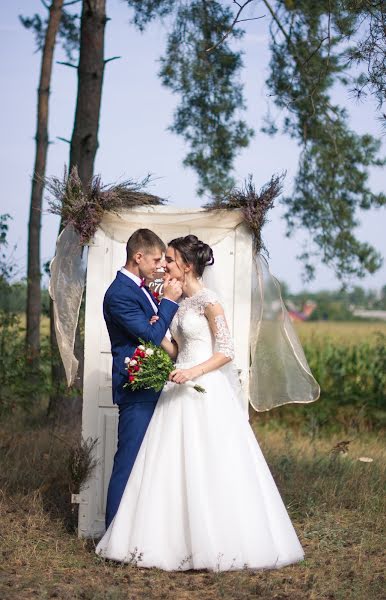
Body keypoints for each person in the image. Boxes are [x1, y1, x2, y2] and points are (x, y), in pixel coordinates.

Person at [97, 234, 304, 571]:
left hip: (203, 387)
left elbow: (227, 351)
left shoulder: (210, 301)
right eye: (161, 259)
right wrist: (161, 340)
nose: (165, 265)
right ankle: (167, 539)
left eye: (171, 260)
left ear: (187, 266)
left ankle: (218, 540)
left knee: (212, 464)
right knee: (168, 468)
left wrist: (192, 371)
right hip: (176, 388)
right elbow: (172, 346)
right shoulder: (175, 303)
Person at [103, 228, 182, 529]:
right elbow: (150, 335)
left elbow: (153, 328)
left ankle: (140, 532)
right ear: (138, 257)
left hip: (155, 384)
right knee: (129, 461)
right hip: (136, 386)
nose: (161, 265)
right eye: (157, 259)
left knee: (150, 463)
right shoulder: (119, 293)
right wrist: (169, 303)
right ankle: (112, 533)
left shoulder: (143, 288)